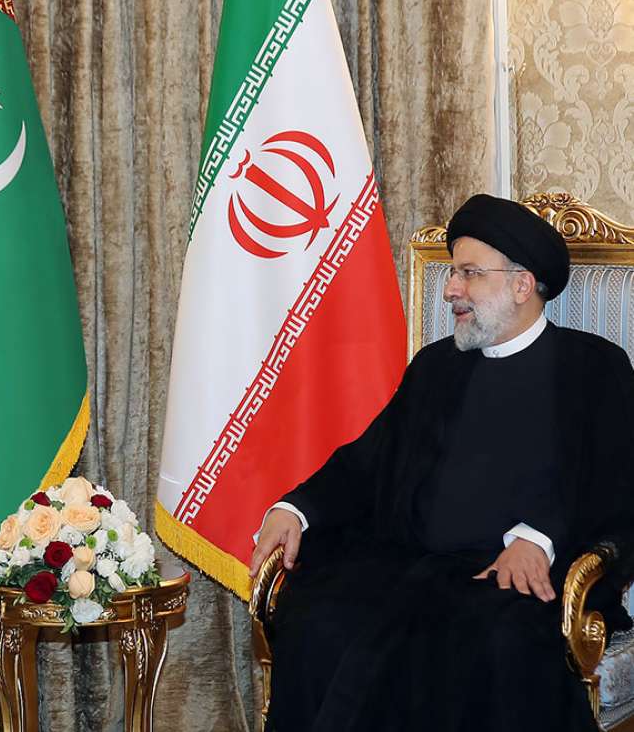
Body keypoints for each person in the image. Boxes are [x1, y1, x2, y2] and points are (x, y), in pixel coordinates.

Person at [249, 194, 634, 732]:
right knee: (318, 619)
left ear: (522, 285)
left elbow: (614, 482)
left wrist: (540, 539)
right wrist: (295, 508)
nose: (451, 289)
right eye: (453, 273)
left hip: (512, 580)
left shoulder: (592, 367)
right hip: (407, 565)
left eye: (469, 274)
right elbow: (368, 460)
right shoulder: (436, 367)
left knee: (491, 645)